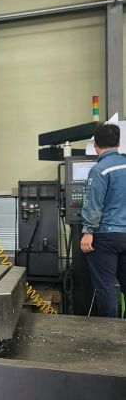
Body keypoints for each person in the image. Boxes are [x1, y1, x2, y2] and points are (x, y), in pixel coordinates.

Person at [80, 123, 126, 317]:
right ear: (118, 143)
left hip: (106, 236)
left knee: (106, 287)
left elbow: (94, 203)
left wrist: (88, 231)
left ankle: (109, 331)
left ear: (95, 145)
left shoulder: (100, 170)